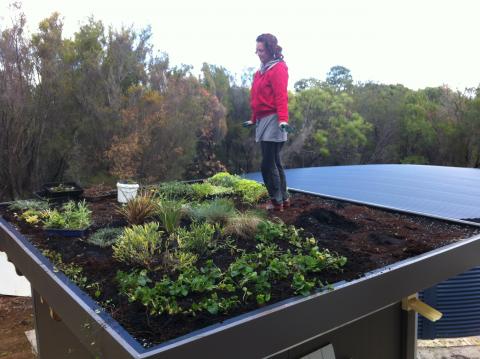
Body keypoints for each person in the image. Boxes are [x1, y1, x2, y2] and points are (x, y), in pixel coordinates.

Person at [243, 33, 293, 212]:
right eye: (256, 50)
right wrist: (253, 119)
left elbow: (281, 97)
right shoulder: (260, 71)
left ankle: (276, 200)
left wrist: (283, 120)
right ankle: (284, 199)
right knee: (275, 161)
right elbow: (256, 99)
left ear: (270, 49)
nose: (258, 53)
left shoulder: (278, 68)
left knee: (267, 164)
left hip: (274, 119)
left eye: (261, 50)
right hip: (263, 120)